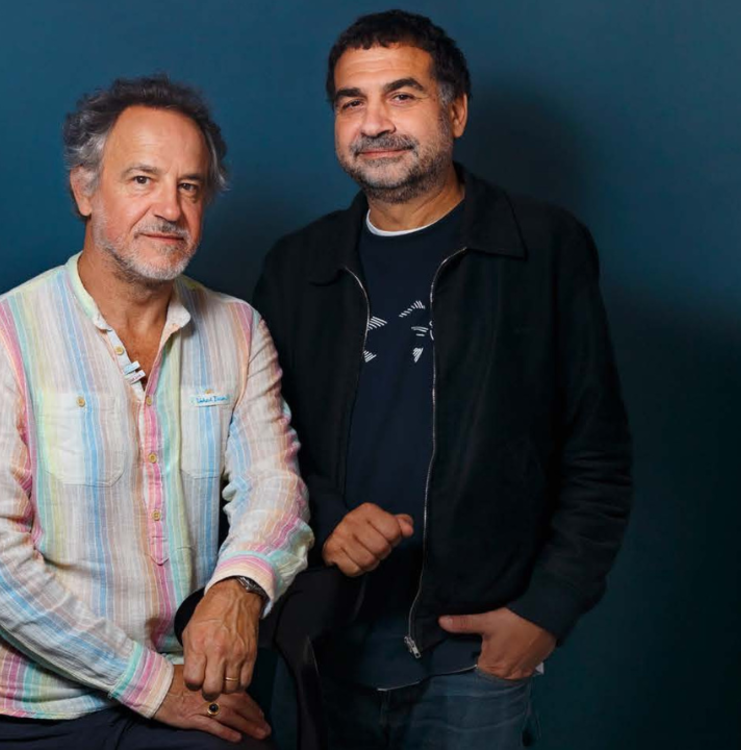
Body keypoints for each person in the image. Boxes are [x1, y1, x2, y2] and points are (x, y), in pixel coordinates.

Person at [252, 10, 632, 749]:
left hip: (470, 662)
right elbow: (260, 449)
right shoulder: (296, 266)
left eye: (402, 95)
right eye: (352, 102)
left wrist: (546, 611)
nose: (374, 123)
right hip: (318, 644)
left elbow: (598, 456)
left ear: (454, 112)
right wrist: (327, 517)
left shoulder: (542, 249)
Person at [0, 75, 312, 749]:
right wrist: (152, 686)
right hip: (16, 710)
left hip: (184, 690)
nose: (170, 208)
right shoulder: (2, 334)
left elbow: (273, 487)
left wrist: (240, 587)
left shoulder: (239, 329)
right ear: (85, 191)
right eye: (142, 180)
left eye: (189, 187)